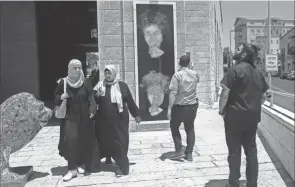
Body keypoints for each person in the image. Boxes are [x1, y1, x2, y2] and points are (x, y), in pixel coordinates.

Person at [219, 43, 270, 187]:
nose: (235, 50)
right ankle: (252, 183)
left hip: (234, 117)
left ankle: (234, 182)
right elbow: (264, 95)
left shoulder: (234, 70)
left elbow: (225, 93)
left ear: (243, 55)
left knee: (234, 151)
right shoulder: (258, 72)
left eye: (238, 49)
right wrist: (253, 107)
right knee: (251, 150)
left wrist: (221, 111)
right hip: (252, 118)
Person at [94, 65, 141, 177]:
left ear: (114, 73)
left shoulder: (122, 86)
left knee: (120, 141)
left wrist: (136, 114)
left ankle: (121, 166)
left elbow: (130, 101)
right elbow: (92, 100)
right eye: (105, 73)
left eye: (109, 73)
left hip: (119, 120)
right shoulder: (99, 86)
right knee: (104, 139)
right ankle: (108, 157)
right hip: (103, 120)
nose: (107, 75)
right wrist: (95, 96)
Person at [55, 59, 96, 181]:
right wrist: (60, 97)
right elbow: (56, 96)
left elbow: (91, 97)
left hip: (84, 118)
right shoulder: (63, 82)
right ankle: (71, 169)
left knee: (82, 141)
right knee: (70, 141)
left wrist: (93, 109)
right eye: (75, 68)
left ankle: (80, 164)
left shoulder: (86, 82)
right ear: (70, 69)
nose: (78, 70)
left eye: (79, 68)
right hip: (69, 118)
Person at [167, 55, 200, 161]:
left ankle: (179, 149)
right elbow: (197, 80)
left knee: (174, 127)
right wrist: (192, 68)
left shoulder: (177, 76)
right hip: (192, 105)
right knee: (190, 128)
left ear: (179, 63)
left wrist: (169, 108)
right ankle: (189, 153)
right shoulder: (195, 74)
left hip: (179, 106)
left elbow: (173, 92)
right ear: (189, 63)